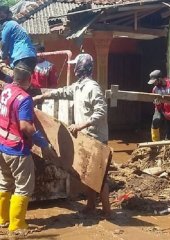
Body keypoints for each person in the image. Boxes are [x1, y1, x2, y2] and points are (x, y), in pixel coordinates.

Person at [33, 53, 111, 217]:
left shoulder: (92, 87)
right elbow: (62, 92)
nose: (75, 68)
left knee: (99, 176)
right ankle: (91, 205)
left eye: (76, 65)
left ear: (81, 67)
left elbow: (101, 111)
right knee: (88, 175)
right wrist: (41, 96)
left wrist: (83, 124)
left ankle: (108, 211)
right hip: (85, 137)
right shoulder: (78, 86)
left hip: (95, 137)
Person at [0, 63, 56, 234]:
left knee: (4, 182)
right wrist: (43, 143)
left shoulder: (7, 90)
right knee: (23, 186)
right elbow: (25, 126)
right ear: (28, 79)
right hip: (17, 149)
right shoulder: (24, 99)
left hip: (2, 144)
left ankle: (3, 219)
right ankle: (17, 224)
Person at [0, 5, 36, 72]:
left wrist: (3, 57)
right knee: (25, 81)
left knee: (18, 80)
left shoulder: (9, 25)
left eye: (2, 17)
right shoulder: (15, 25)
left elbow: (3, 44)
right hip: (31, 56)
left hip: (21, 57)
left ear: (9, 15)